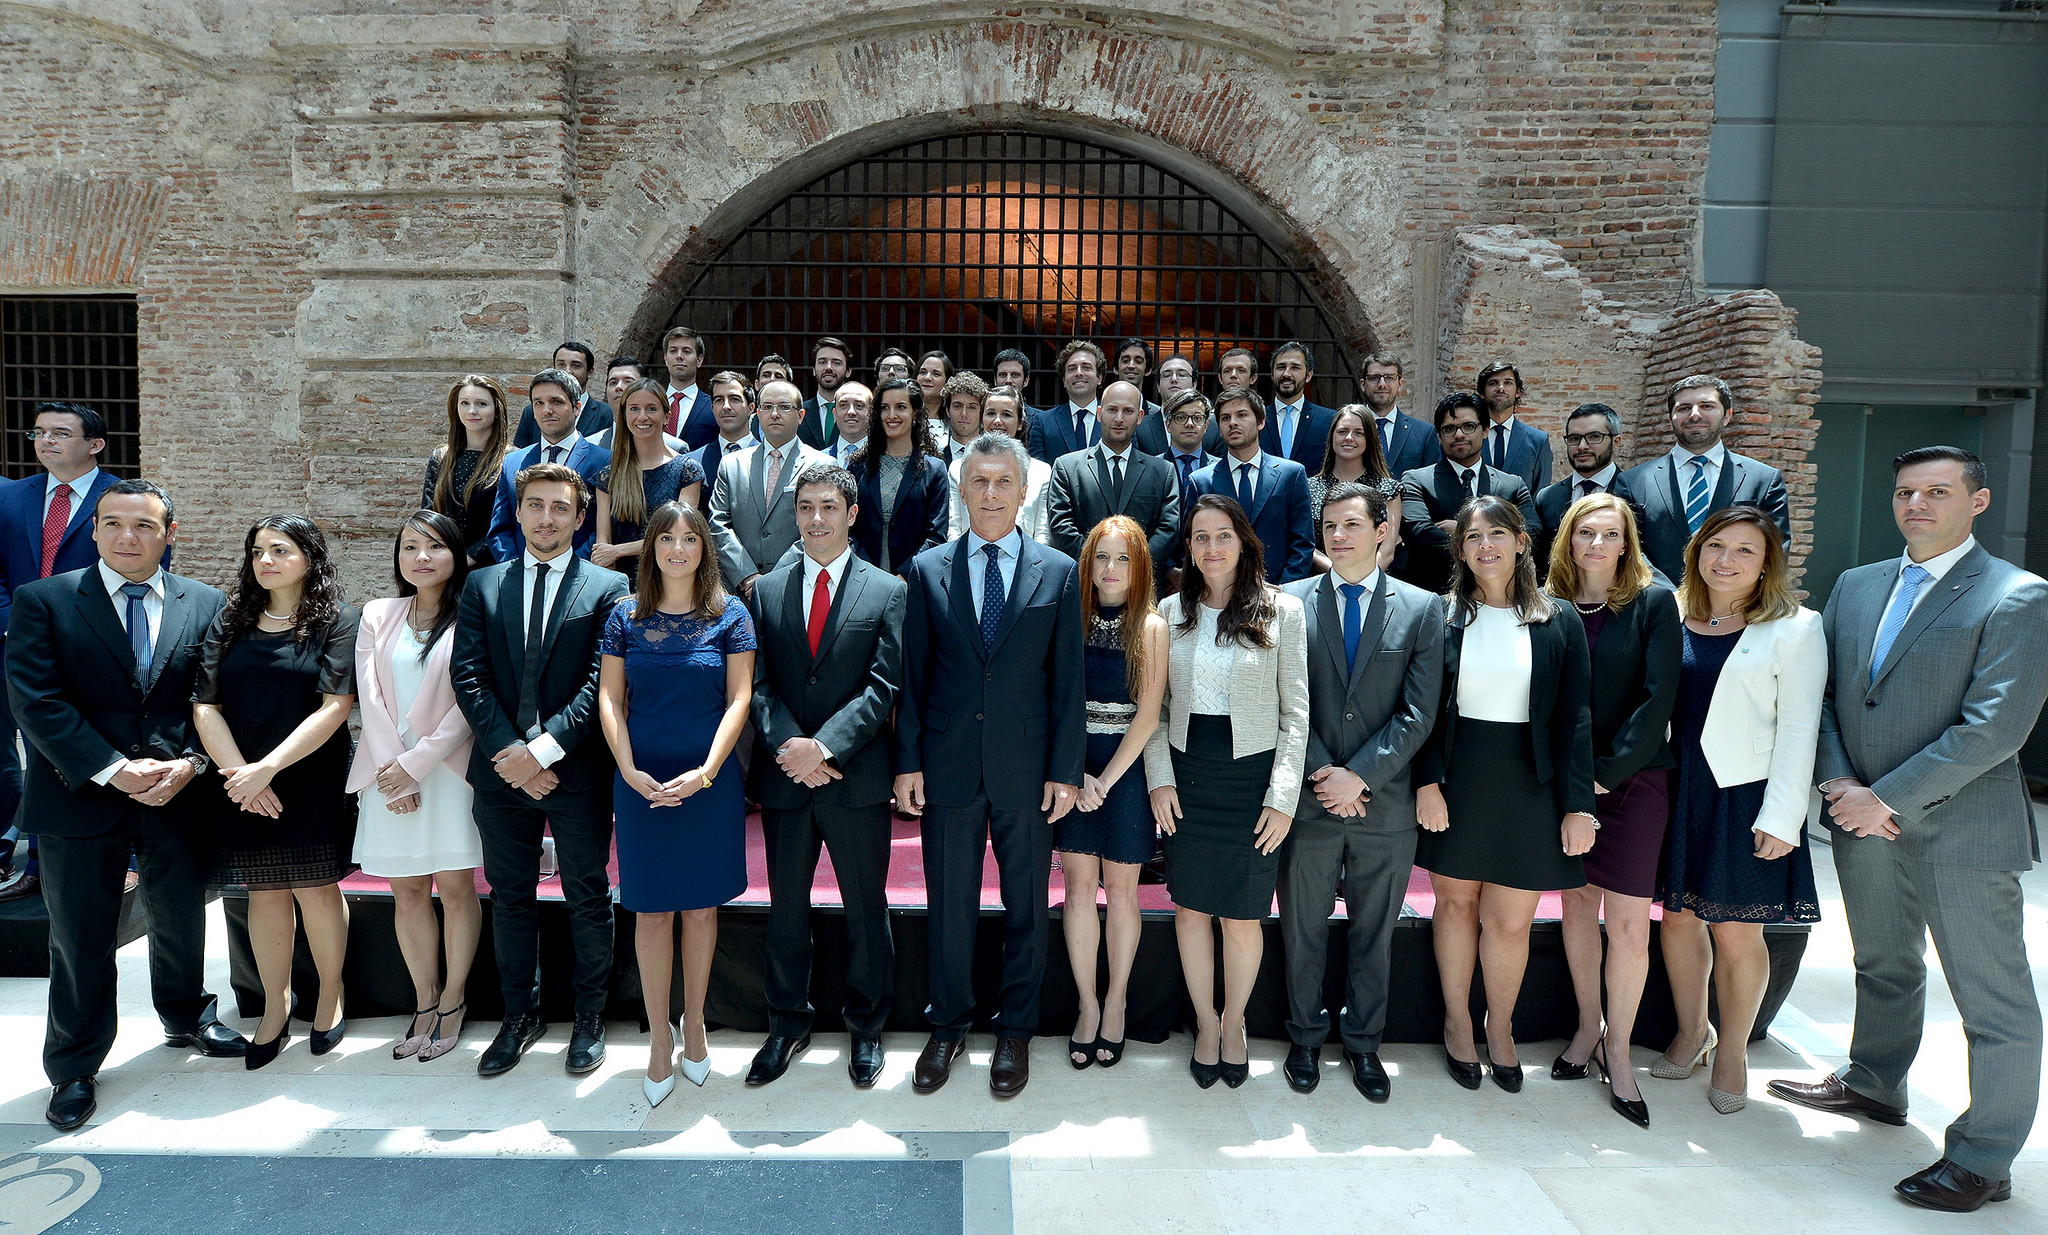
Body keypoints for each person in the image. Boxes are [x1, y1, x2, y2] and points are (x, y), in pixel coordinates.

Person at [1770, 447, 2048, 1212]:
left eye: (1937, 491)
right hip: (1861, 818)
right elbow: (1820, 695)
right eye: (1905, 491)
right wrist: (1838, 783)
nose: (1917, 504)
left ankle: (1985, 1157)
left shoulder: (2016, 595)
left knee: (1993, 1001)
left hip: (1961, 829)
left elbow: (1995, 728)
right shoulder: (1858, 586)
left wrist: (1884, 797)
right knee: (1884, 964)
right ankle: (1873, 1081)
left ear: (1979, 501)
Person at [8, 479, 249, 1132]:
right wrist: (113, 769)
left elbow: (218, 698)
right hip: (77, 794)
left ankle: (186, 1014)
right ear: (93, 531)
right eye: (113, 523)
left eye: (144, 525)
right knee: (82, 935)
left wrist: (193, 764)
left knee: (179, 917)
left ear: (171, 534)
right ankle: (75, 1065)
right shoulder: (45, 600)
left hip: (178, 792)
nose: (127, 536)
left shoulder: (205, 602)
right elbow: (37, 700)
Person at [893, 433, 1086, 1097]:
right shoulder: (927, 569)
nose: (992, 494)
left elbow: (1068, 682)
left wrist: (1065, 768)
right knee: (949, 906)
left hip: (1028, 770)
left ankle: (1016, 1030)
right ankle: (946, 1024)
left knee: (1026, 906)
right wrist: (908, 760)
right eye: (980, 482)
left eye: (1004, 482)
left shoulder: (1058, 572)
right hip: (946, 766)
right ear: (962, 489)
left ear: (1023, 490)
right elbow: (913, 678)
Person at [452, 462, 632, 1080]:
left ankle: (589, 1018)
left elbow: (602, 684)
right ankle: (517, 1016)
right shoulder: (483, 585)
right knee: (510, 898)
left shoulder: (608, 589)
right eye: (535, 505)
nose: (547, 517)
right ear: (519, 509)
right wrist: (512, 753)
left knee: (586, 895)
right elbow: (468, 676)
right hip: (500, 773)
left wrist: (545, 750)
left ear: (580, 518)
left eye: (560, 507)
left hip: (576, 772)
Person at [1412, 496, 1595, 1094]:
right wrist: (1428, 783)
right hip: (1458, 780)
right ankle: (1458, 1023)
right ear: (1460, 550)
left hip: (1530, 786)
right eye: (1471, 537)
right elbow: (1423, 713)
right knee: (1457, 907)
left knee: (1511, 922)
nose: (1484, 545)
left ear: (1522, 542)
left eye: (1496, 534)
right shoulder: (1441, 617)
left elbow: (1575, 718)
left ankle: (1503, 1028)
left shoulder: (1559, 618)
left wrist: (1577, 804)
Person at [1650, 505, 1824, 1114]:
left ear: (1768, 562)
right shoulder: (1668, 612)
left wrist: (1782, 819)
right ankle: (1693, 1031)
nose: (1726, 560)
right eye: (1716, 545)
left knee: (1733, 926)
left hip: (1743, 794)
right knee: (1676, 918)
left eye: (1745, 550)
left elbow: (1802, 729)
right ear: (1697, 550)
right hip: (1672, 786)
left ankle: (1734, 1051)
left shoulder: (1795, 627)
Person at [1277, 483, 1442, 1101]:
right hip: (1310, 800)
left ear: (1383, 531)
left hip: (1385, 803)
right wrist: (1326, 774)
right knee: (1303, 926)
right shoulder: (1289, 602)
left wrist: (1361, 776)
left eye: (1351, 524)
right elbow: (1286, 701)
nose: (1337, 536)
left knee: (1376, 930)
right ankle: (1303, 1037)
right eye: (1328, 526)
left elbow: (1419, 712)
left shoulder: (1423, 609)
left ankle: (1365, 1045)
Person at [746, 463, 906, 1090]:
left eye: (828, 507)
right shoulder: (765, 590)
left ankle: (866, 1026)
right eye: (805, 507)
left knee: (866, 907)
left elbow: (885, 684)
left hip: (854, 777)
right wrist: (791, 744)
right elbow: (754, 683)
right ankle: (787, 1022)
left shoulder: (887, 590)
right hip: (786, 773)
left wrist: (826, 747)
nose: (816, 519)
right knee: (786, 907)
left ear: (851, 513)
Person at [1144, 495, 1309, 1089]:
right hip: (1187, 777)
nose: (1211, 548)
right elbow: (1154, 712)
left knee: (1241, 917)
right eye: (1199, 537)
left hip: (1252, 781)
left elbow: (1297, 715)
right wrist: (1158, 777)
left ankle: (1235, 1023)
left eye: (1223, 536)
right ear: (1187, 546)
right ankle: (1206, 1023)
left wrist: (1282, 796)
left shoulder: (1282, 611)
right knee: (1189, 909)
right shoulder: (1168, 611)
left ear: (1244, 541)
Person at [597, 501, 754, 1107]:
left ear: (704, 548)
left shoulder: (729, 614)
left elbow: (739, 699)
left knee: (700, 911)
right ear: (652, 547)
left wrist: (710, 772)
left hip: (707, 786)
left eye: (691, 538)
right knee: (651, 912)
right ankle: (659, 1037)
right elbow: (611, 699)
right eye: (667, 538)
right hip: (640, 783)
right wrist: (628, 768)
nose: (678, 549)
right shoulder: (624, 617)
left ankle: (696, 1025)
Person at [192, 514, 361, 1068]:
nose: (266, 561)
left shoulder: (336, 622)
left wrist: (268, 768)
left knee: (315, 889)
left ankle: (330, 997)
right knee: (263, 893)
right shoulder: (230, 620)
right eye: (258, 551)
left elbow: (336, 706)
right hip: (240, 777)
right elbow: (205, 704)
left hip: (309, 774)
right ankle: (274, 1004)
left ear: (309, 557)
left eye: (280, 550)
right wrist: (243, 774)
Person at [1543, 493, 1681, 1128]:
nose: (1596, 545)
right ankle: (1585, 1029)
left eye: (1609, 534)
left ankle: (1620, 1056)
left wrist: (1603, 776)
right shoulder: (1548, 607)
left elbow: (1659, 701)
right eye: (1584, 533)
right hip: (1567, 787)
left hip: (1634, 780)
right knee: (1575, 907)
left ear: (1627, 544)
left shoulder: (1654, 602)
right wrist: (1573, 783)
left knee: (1627, 925)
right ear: (1568, 542)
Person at [347, 511, 483, 1063]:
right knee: (406, 892)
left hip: (448, 773)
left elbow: (469, 704)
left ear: (455, 556)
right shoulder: (378, 614)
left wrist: (418, 765)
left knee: (454, 889)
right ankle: (424, 1000)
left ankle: (454, 999)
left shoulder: (473, 613)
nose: (421, 557)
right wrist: (393, 771)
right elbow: (369, 696)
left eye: (433, 547)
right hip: (386, 773)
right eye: (410, 547)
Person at [0, 402, 123, 908]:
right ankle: (9, 846)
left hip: (86, 647)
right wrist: (19, 626)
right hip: (11, 644)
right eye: (39, 433)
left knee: (67, 750)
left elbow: (130, 568)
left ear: (94, 444)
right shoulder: (10, 497)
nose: (46, 441)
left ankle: (49, 864)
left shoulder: (122, 499)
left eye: (60, 433)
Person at [1057, 516, 1168, 1069]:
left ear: (1140, 565)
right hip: (1073, 769)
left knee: (1122, 895)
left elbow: (1149, 717)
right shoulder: (1069, 618)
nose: (1111, 568)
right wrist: (1076, 774)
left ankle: (1118, 1000)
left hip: (1125, 772)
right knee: (1079, 893)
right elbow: (1054, 702)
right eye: (1102, 556)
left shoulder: (1150, 626)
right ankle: (1086, 1005)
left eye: (1123, 558)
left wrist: (1106, 780)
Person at [1621, 375, 1791, 584]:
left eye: (1706, 406)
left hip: (1736, 607)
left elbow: (1776, 550)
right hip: (1658, 607)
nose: (1694, 415)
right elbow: (1628, 547)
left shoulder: (1764, 480)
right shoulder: (1633, 482)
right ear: (1670, 418)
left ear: (1727, 415)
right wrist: (1668, 596)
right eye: (1683, 408)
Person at [1396, 393, 1537, 595]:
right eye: (1449, 429)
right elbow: (1419, 534)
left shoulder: (1512, 485)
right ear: (1439, 436)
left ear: (1486, 430)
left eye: (1469, 427)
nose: (1459, 435)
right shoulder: (1416, 480)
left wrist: (1464, 531)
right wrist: (1498, 537)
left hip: (1500, 594)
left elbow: (1532, 532)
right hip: (1434, 594)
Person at [1046, 380, 1181, 584]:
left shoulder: (1162, 471)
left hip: (1142, 585)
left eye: (1128, 411)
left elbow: (1168, 528)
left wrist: (1134, 564)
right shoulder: (1067, 467)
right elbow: (1061, 526)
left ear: (1140, 417)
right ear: (1099, 413)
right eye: (1112, 410)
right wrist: (1097, 562)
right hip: (1084, 585)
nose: (1119, 418)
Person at [707, 378, 830, 600]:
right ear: (757, 414)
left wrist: (771, 580)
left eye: (784, 407)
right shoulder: (732, 464)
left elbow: (821, 526)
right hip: (737, 591)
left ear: (801, 416)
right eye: (767, 407)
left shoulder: (823, 465)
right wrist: (746, 574)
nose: (775, 414)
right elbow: (717, 523)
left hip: (796, 588)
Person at [1188, 387, 1315, 583]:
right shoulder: (1201, 481)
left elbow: (1302, 542)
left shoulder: (1291, 474)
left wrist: (1284, 590)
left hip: (1278, 591)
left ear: (1261, 421)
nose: (1233, 423)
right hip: (1220, 592)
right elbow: (1193, 543)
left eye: (1241, 415)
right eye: (1225, 418)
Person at [484, 369, 611, 563]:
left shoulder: (603, 461)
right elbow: (500, 529)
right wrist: (518, 569)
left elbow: (603, 529)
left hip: (578, 577)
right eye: (539, 403)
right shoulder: (513, 462)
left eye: (556, 402)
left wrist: (569, 568)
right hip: (520, 577)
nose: (547, 410)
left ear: (577, 408)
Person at [593, 378, 707, 584]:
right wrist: (612, 593)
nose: (642, 416)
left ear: (666, 417)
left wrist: (617, 551)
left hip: (670, 581)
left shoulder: (687, 471)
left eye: (651, 409)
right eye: (634, 409)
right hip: (620, 586)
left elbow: (678, 535)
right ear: (625, 416)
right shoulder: (607, 476)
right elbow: (603, 548)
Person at [849, 378, 949, 574]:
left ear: (916, 412)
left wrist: (904, 575)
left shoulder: (934, 470)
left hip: (914, 582)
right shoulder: (858, 466)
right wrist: (870, 574)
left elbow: (936, 536)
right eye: (885, 408)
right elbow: (849, 530)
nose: (891, 415)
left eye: (900, 407)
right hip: (864, 580)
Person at [1531, 403, 1646, 568]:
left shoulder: (1638, 494)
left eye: (1594, 437)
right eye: (1574, 439)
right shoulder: (1547, 497)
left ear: (1617, 441)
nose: (1582, 446)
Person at [423, 376, 509, 567]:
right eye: (464, 403)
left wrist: (468, 558)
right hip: (443, 565)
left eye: (481, 404)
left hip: (490, 567)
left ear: (496, 411)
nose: (472, 411)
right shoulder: (440, 457)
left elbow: (509, 520)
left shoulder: (512, 459)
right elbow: (428, 515)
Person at [1306, 404, 1401, 576]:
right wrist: (1338, 575)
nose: (1349, 438)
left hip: (1373, 584)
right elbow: (1306, 544)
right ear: (1332, 437)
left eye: (1359, 433)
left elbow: (1386, 552)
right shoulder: (1308, 487)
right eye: (1342, 431)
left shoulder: (1388, 489)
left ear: (1370, 439)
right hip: (1322, 581)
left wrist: (1361, 579)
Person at [950, 385, 1052, 543]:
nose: (997, 421)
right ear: (982, 420)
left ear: (1020, 423)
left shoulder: (1042, 472)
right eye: (991, 413)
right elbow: (954, 527)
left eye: (1006, 414)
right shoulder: (957, 468)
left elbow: (1042, 532)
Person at [512, 342, 614, 448]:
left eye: (576, 366)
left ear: (590, 372)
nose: (567, 371)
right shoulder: (531, 412)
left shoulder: (606, 414)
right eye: (561, 365)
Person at [1474, 359, 1553, 496]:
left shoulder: (1538, 441)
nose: (1501, 388)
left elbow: (1540, 496)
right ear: (1482, 393)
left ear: (1518, 392)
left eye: (1508, 383)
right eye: (1493, 383)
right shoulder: (1469, 437)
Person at [1356, 353, 1440, 477]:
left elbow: (1431, 482)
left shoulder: (1424, 434)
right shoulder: (1347, 430)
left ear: (1400, 384)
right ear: (1363, 384)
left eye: (1389, 378)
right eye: (1374, 378)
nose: (1382, 384)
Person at [1262, 340, 1338, 475]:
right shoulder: (1257, 419)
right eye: (1280, 367)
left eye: (1295, 368)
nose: (1286, 374)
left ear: (1308, 375)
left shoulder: (1329, 420)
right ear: (1272, 374)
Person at [1030, 340, 1107, 462]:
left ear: (1099, 378)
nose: (1079, 373)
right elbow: (1038, 472)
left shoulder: (1114, 418)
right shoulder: (1043, 423)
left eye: (1086, 368)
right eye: (1072, 369)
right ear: (1064, 380)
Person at [688, 370, 762, 484]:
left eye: (734, 399)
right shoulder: (694, 460)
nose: (726, 406)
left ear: (751, 408)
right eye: (719, 400)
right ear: (712, 409)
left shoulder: (768, 458)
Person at [1136, 354, 1203, 456]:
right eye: (1167, 375)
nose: (1174, 379)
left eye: (1181, 374)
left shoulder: (1211, 427)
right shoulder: (1139, 427)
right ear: (1158, 386)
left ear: (1194, 384)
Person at [662, 326, 718, 449]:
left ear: (699, 360)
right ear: (666, 359)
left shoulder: (712, 406)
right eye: (673, 351)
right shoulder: (652, 403)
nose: (679, 356)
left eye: (686, 351)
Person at [800, 336, 852, 449]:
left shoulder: (858, 413)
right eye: (822, 362)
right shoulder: (798, 412)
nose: (828, 367)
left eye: (836, 363)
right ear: (814, 369)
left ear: (848, 371)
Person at [933, 372, 986, 465]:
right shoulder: (934, 459)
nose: (964, 414)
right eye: (957, 406)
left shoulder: (993, 456)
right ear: (947, 410)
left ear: (981, 412)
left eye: (972, 407)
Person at [822, 379, 872, 467]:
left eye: (859, 406)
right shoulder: (819, 460)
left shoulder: (884, 460)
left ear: (871, 413)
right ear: (835, 414)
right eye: (843, 405)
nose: (851, 412)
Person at [992, 347, 1038, 416]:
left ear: (1026, 380)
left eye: (1015, 375)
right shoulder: (980, 417)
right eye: (1003, 375)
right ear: (995, 379)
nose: (1008, 380)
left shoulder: (1040, 419)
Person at [915, 350, 955, 426]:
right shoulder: (905, 416)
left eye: (936, 374)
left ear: (947, 381)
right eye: (923, 372)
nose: (927, 378)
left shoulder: (956, 420)